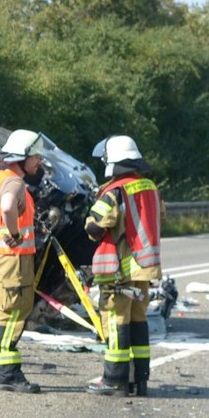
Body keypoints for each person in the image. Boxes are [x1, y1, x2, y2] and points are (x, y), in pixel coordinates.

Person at [85, 135, 161, 397]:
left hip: (118, 269)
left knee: (116, 321)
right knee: (138, 320)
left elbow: (95, 226)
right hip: (144, 267)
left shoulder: (114, 191)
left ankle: (114, 380)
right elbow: (160, 217)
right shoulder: (151, 187)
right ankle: (140, 380)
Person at [0, 129, 44, 393]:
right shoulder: (15, 182)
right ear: (22, 157)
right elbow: (7, 207)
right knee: (13, 312)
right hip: (13, 261)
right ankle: (9, 375)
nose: (39, 161)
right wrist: (13, 233)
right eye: (36, 156)